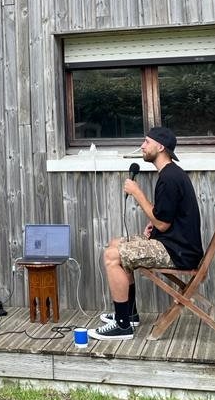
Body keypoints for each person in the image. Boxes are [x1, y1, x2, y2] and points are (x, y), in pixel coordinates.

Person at [87, 126, 203, 341]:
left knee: (112, 256)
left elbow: (163, 225)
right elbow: (165, 219)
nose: (142, 146)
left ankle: (122, 326)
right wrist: (154, 223)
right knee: (115, 244)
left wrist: (137, 193)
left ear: (160, 147)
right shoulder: (170, 174)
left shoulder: (169, 178)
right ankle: (129, 314)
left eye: (146, 142)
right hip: (173, 243)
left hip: (179, 252)